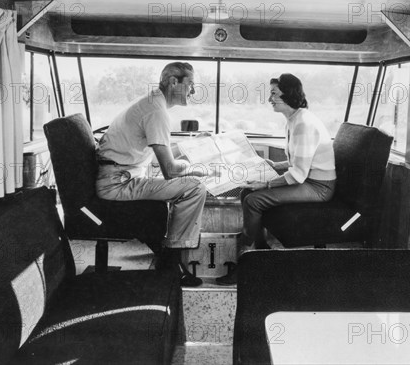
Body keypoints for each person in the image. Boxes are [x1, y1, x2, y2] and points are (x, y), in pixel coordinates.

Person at [95, 62, 212, 287]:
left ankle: (169, 253)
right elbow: (169, 170)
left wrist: (194, 150)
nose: (194, 91)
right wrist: (197, 168)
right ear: (173, 82)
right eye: (190, 85)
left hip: (120, 176)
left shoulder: (152, 102)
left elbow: (163, 151)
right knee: (195, 187)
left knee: (189, 181)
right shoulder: (156, 111)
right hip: (117, 184)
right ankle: (171, 261)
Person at [216, 73, 337, 285]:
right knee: (246, 192)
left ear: (288, 95)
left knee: (254, 199)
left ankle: (246, 259)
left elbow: (299, 174)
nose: (269, 99)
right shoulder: (294, 119)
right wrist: (273, 166)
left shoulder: (303, 124)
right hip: (308, 179)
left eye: (274, 94)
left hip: (319, 187)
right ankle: (261, 249)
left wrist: (265, 183)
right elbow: (297, 163)